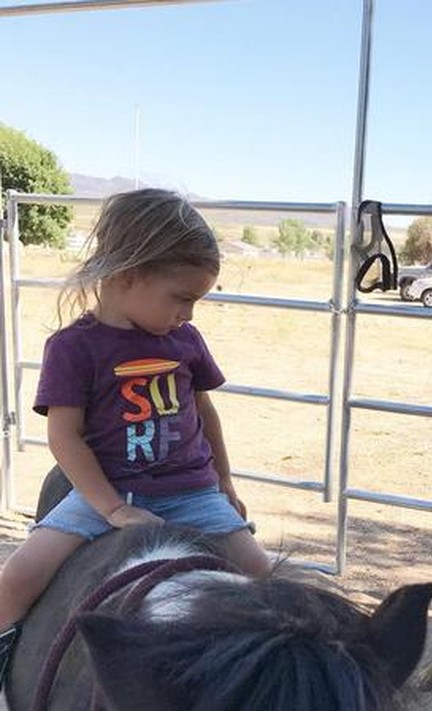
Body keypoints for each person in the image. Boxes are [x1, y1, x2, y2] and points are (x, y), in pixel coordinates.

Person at [0, 188, 271, 684]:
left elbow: (204, 411)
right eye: (182, 298)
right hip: (107, 492)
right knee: (15, 577)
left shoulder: (184, 341)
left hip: (191, 493)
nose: (188, 313)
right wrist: (111, 508)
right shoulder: (73, 348)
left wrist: (224, 483)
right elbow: (65, 438)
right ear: (130, 275)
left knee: (263, 576)